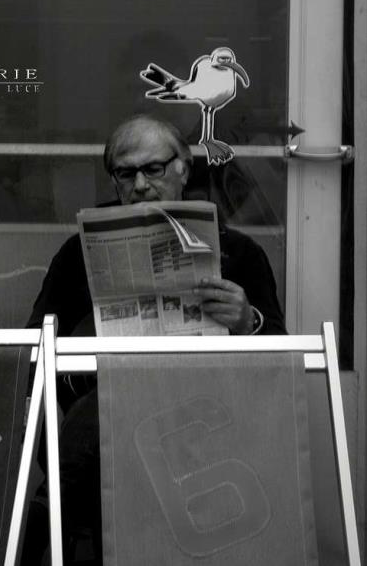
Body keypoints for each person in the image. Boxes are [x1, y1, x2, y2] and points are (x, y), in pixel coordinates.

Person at [24, 114, 286, 563]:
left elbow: (282, 360)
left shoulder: (240, 253)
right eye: (126, 173)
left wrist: (248, 320)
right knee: (106, 411)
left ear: (184, 168)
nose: (141, 184)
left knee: (105, 422)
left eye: (154, 169)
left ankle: (53, 523)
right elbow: (35, 352)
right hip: (109, 431)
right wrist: (85, 348)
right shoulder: (77, 255)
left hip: (205, 426)